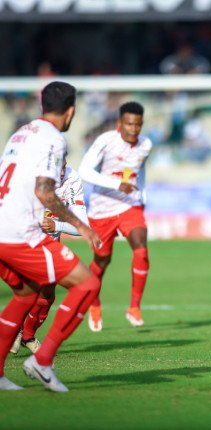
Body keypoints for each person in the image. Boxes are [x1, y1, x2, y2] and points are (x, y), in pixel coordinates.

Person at [0, 81, 101, 392]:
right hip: (19, 233)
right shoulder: (54, 139)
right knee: (87, 283)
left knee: (26, 295)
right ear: (70, 111)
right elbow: (45, 191)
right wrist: (80, 225)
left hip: (3, 227)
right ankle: (42, 361)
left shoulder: (20, 132)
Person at [79, 102, 152, 332]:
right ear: (120, 123)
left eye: (137, 124)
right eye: (129, 123)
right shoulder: (105, 141)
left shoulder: (146, 144)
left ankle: (134, 307)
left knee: (141, 248)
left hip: (130, 205)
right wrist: (116, 184)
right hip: (102, 209)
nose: (133, 129)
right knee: (102, 260)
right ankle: (94, 302)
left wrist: (143, 194)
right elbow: (84, 171)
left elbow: (140, 171)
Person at [10, 159, 88, 355]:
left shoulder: (72, 179)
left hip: (51, 246)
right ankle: (14, 334)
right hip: (24, 242)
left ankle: (26, 335)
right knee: (28, 291)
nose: (58, 173)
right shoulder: (29, 178)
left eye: (61, 167)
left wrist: (57, 226)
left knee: (47, 295)